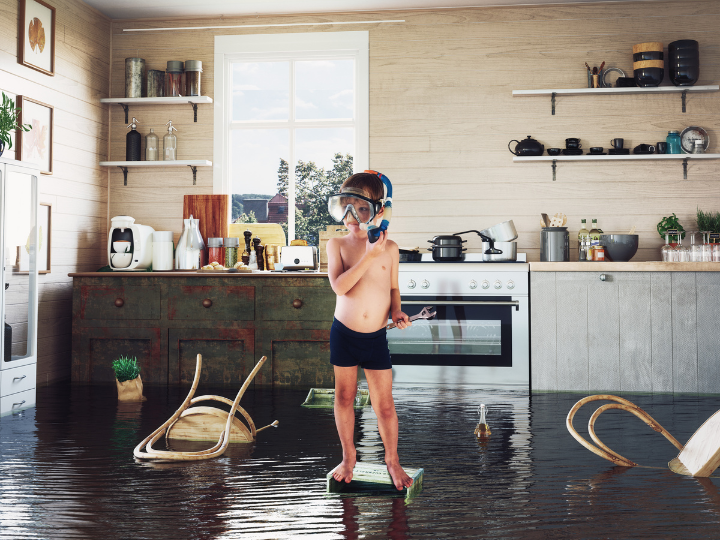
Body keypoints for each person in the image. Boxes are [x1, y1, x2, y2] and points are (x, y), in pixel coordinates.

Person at [325, 171, 414, 491]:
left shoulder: (390, 249)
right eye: (344, 207)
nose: (350, 216)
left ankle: (392, 460)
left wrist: (397, 311)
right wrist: (368, 255)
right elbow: (340, 287)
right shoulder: (336, 245)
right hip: (344, 335)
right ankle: (349, 455)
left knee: (384, 404)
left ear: (379, 211)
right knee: (344, 397)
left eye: (360, 209)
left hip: (375, 338)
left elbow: (393, 288)